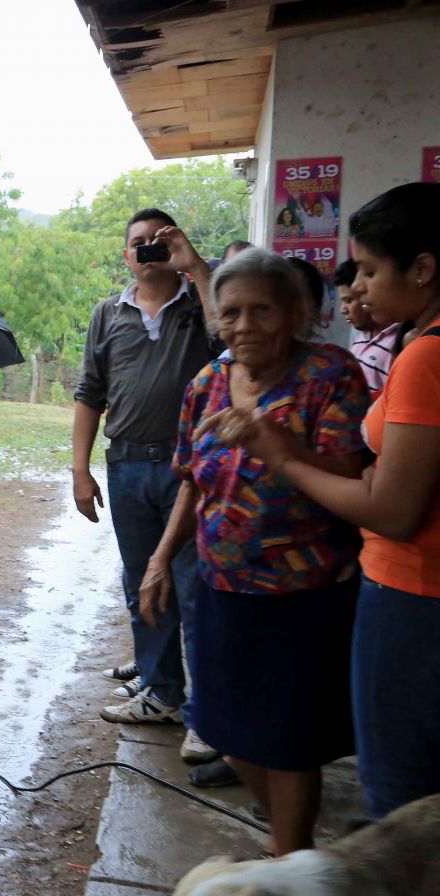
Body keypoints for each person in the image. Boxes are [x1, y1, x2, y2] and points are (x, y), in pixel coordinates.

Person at [221, 183, 440, 821]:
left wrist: (283, 457)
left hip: (411, 590)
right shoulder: (415, 346)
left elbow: (393, 509)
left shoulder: (421, 358)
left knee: (401, 794)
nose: (359, 287)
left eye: (370, 269)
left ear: (422, 269)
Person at [140, 247, 370, 856]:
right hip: (219, 587)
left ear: (296, 313)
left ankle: (288, 853)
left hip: (305, 595)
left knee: (288, 741)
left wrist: (277, 445)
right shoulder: (208, 383)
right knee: (227, 732)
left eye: (261, 311)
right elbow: (191, 477)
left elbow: (352, 473)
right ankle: (286, 843)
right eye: (231, 313)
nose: (244, 326)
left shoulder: (331, 375)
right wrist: (162, 558)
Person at [72, 209, 221, 764]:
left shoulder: (199, 302)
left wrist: (196, 265)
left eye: (158, 241)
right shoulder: (107, 314)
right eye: (138, 243)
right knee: (143, 585)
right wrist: (80, 470)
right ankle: (162, 692)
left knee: (193, 586)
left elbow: (230, 336)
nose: (146, 250)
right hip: (128, 465)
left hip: (189, 471)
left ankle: (206, 715)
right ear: (125, 254)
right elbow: (91, 392)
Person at [337, 259, 406, 400]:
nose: (342, 310)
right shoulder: (361, 336)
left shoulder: (400, 341)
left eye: (348, 301)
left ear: (366, 298)